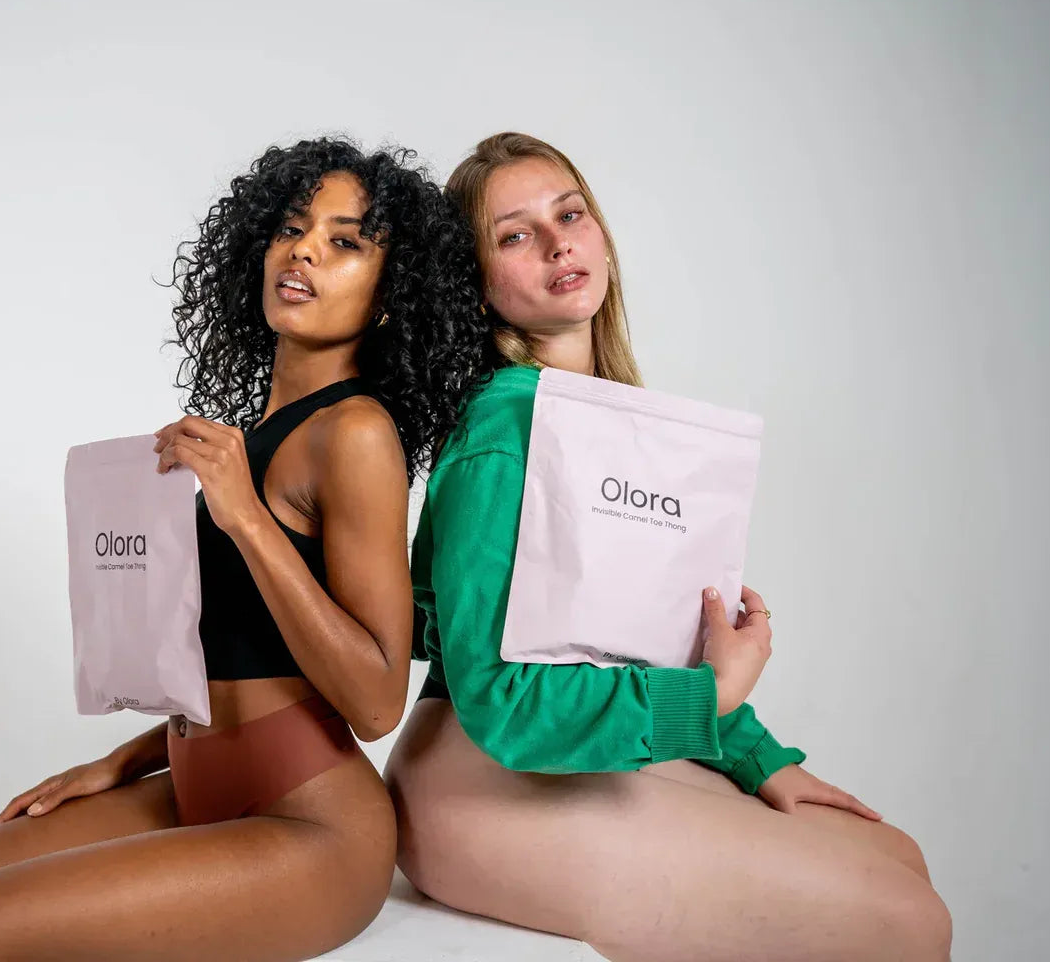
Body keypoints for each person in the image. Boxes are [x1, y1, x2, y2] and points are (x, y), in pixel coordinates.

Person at [0, 137, 486, 962]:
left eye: (345, 241)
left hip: (309, 821)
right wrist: (124, 759)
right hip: (190, 781)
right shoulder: (257, 435)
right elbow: (244, 663)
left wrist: (247, 518)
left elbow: (376, 700)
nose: (304, 251)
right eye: (292, 228)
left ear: (391, 296)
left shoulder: (356, 433)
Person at [382, 131, 952, 962]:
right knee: (909, 920)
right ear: (476, 287)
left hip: (559, 743)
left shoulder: (615, 417)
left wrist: (758, 758)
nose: (558, 243)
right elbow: (497, 696)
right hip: (477, 770)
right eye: (515, 235)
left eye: (570, 214)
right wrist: (706, 700)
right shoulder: (503, 433)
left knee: (898, 857)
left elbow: (636, 643)